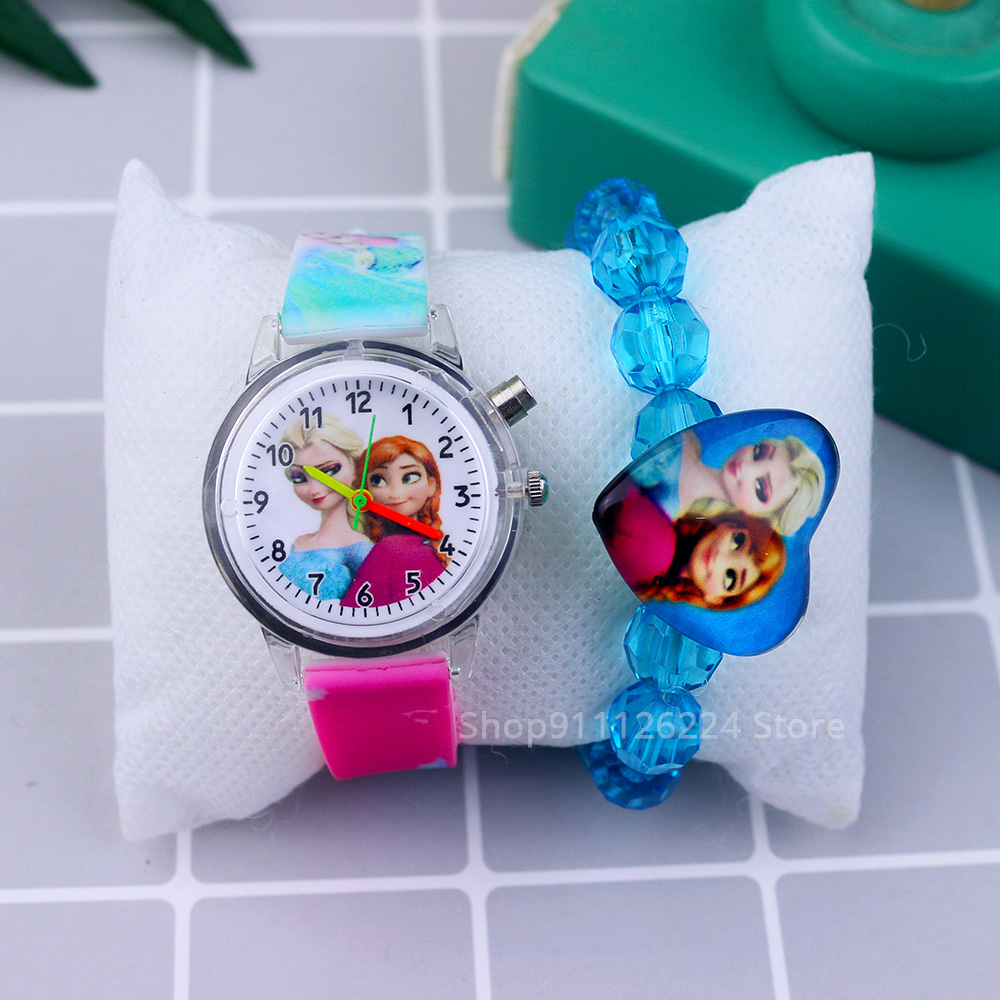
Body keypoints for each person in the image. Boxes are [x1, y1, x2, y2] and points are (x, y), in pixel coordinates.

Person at [600, 484, 786, 609]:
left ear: (715, 600)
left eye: (730, 577)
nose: (720, 558)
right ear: (729, 524)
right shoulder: (678, 507)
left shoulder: (659, 549)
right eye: (738, 542)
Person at [640, 430, 826, 536]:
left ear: (761, 518)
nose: (746, 467)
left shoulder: (674, 518)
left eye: (760, 488)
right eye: (759, 453)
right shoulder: (691, 440)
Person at [341, 436, 448, 609]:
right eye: (378, 481)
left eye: (409, 477)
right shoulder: (388, 549)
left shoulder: (388, 549)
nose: (395, 493)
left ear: (431, 484)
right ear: (365, 491)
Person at [277, 415, 373, 601]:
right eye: (299, 478)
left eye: (329, 471)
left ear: (356, 468)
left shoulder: (358, 548)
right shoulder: (299, 542)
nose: (315, 489)